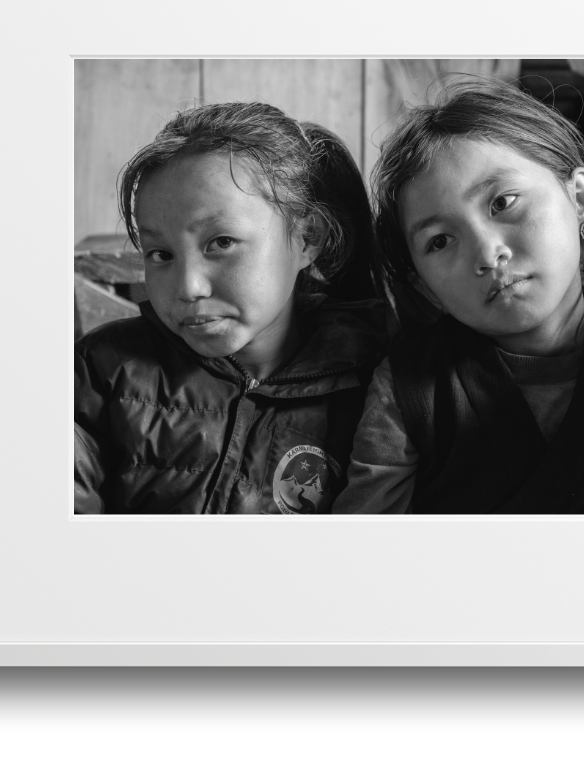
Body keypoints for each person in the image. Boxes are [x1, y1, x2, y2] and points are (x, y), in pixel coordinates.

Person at [334, 77, 584, 515]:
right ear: (421, 281)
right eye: (439, 241)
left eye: (503, 202)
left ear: (582, 199)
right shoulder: (407, 388)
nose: (488, 254)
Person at [75, 101, 392, 514]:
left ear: (307, 238)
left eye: (221, 243)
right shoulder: (101, 369)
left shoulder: (380, 381)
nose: (188, 287)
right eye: (160, 254)